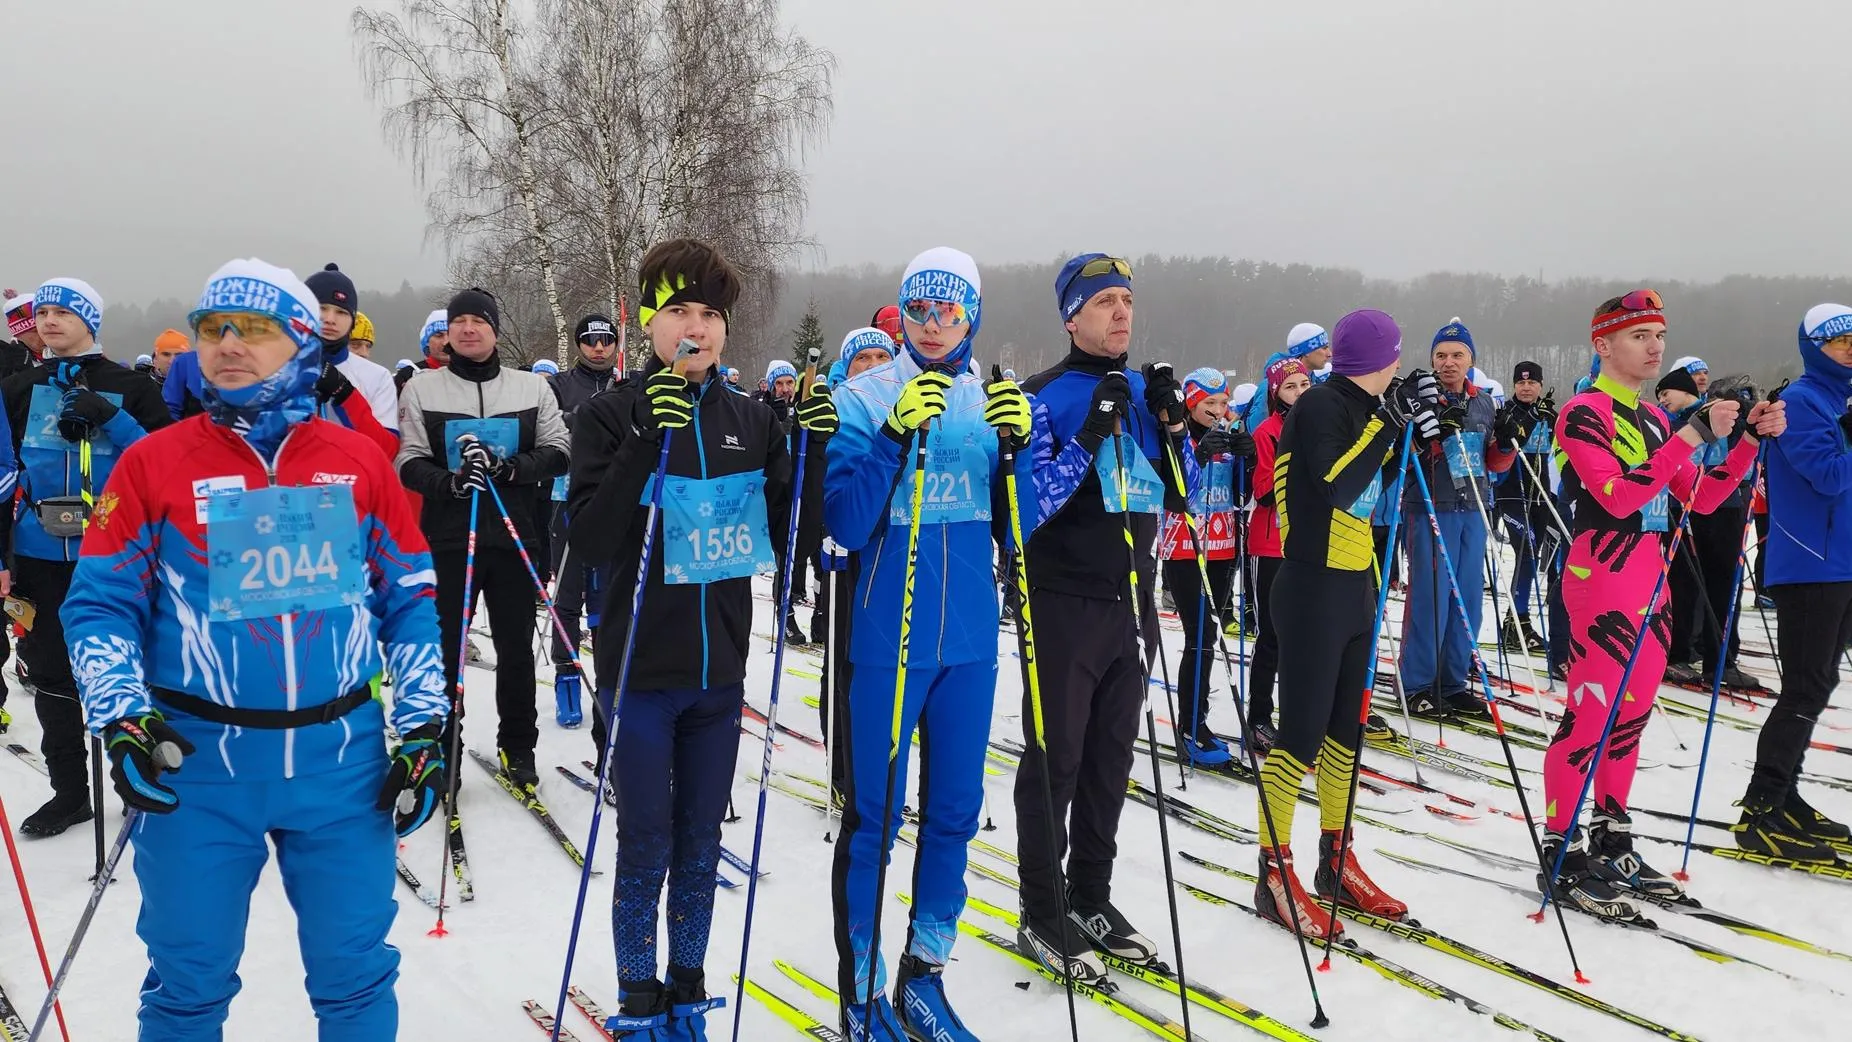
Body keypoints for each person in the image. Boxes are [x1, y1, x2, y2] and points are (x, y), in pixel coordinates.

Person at [62, 258, 450, 1039]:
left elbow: (409, 600)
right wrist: (123, 715)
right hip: (200, 767)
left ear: (303, 341)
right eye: (212, 329)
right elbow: (99, 606)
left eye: (255, 330)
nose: (228, 345)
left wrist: (425, 728)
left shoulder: (357, 460)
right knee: (186, 987)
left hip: (341, 767)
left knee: (356, 980)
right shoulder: (152, 463)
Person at [565, 238, 805, 1039]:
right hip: (639, 675)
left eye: (709, 314)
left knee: (701, 843)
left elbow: (795, 534)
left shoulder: (750, 418)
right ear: (647, 322)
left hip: (718, 675)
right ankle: (638, 998)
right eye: (678, 311)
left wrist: (814, 447)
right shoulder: (605, 414)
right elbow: (590, 540)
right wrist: (641, 444)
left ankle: (688, 988)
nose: (695, 327)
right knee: (646, 844)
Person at [823, 247, 1030, 1040]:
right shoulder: (864, 393)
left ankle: (925, 974)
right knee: (875, 818)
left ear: (972, 315)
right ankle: (863, 988)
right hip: (889, 636)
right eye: (920, 310)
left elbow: (1020, 532)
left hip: (971, 642)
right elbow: (842, 521)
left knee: (954, 814)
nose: (934, 326)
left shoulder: (994, 399)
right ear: (901, 311)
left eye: (950, 312)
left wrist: (1018, 459)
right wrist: (890, 439)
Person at [1542, 290, 1774, 915]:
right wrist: (1693, 432)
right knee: (1589, 720)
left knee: (1631, 718)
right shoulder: (1583, 414)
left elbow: (1699, 496)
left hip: (1650, 580)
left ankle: (1612, 838)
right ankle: (1558, 851)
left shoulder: (1650, 420)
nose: (1655, 347)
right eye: (1640, 335)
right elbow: (1617, 496)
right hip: (1602, 578)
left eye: (1659, 336)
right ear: (1604, 345)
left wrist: (1748, 442)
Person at [1015, 253, 1192, 981]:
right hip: (1062, 604)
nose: (1121, 312)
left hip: (1132, 604)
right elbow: (1027, 508)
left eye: (1127, 299)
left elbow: (1175, 497)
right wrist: (1091, 431)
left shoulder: (1141, 397)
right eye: (1104, 302)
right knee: (1056, 760)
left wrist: (1171, 426)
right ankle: (1041, 904)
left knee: (1111, 760)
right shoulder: (1043, 394)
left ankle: (1092, 892)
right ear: (1071, 316)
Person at [1258, 309, 1438, 939]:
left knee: (1344, 734)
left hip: (1353, 586)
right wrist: (1391, 423)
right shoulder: (1321, 405)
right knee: (1299, 736)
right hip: (1310, 587)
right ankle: (1274, 869)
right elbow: (1337, 485)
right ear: (1382, 356)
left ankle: (1336, 858)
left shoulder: (1364, 410)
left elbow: (1373, 486)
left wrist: (1416, 428)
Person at [3, 277, 168, 835]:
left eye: (64, 312)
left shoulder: (131, 384)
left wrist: (111, 416)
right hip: (39, 550)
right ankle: (70, 793)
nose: (50, 320)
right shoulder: (19, 385)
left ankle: (138, 782)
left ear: (91, 320)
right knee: (50, 674)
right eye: (42, 311)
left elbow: (168, 464)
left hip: (114, 552)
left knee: (125, 669)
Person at [396, 287, 568, 791]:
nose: (468, 329)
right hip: (449, 540)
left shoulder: (530, 388)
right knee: (446, 650)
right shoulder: (424, 388)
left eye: (479, 320)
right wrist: (448, 482)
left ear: (495, 328)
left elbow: (559, 451)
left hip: (515, 538)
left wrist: (510, 469)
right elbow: (407, 460)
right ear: (446, 333)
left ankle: (518, 748)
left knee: (516, 650)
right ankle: (443, 749)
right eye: (459, 322)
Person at [1734, 304, 1852, 863]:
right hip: (1810, 565)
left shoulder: (1837, 400)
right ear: (1814, 349)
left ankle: (1786, 795)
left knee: (1820, 680)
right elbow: (1827, 476)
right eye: (1838, 342)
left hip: (1842, 563)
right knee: (1804, 686)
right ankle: (1762, 806)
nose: (1849, 348)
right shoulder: (1803, 401)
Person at [1399, 319, 1515, 718]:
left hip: (1473, 507)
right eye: (1441, 356)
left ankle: (1452, 681)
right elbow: (1407, 455)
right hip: (1432, 506)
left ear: (1471, 360)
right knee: (1431, 598)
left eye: (1457, 356)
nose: (1449, 363)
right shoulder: (1419, 397)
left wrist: (1507, 440)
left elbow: (1493, 461)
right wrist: (1432, 435)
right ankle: (1417, 683)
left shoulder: (1484, 402)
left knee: (1467, 599)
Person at [1159, 367, 1251, 766]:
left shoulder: (1228, 437)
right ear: (1191, 404)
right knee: (1200, 633)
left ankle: (1199, 722)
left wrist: (1248, 455)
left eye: (1222, 403)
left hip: (1222, 544)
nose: (1217, 411)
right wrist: (1196, 452)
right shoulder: (1177, 437)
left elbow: (1244, 495)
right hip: (1185, 545)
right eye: (1208, 404)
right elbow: (1173, 489)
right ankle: (1190, 726)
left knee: (1211, 633)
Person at [1658, 359, 1761, 692]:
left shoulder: (1715, 412)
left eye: (1667, 392)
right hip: (1683, 508)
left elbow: (1743, 434)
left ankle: (1720, 658)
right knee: (1685, 585)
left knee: (1721, 585)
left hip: (1724, 506)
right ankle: (1680, 652)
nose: (1662, 399)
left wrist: (1745, 412)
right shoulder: (1672, 423)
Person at [545, 313, 623, 710]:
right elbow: (548, 426)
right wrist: (586, 420)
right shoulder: (561, 383)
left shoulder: (624, 382)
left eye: (606, 340)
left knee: (610, 591)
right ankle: (566, 673)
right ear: (579, 344)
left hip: (614, 498)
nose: (599, 347)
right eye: (590, 340)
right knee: (569, 588)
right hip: (567, 496)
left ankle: (609, 677)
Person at [1245, 356, 1313, 751]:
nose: (1300, 393)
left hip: (1305, 544)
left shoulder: (1317, 428)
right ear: (1276, 393)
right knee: (1271, 635)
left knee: (1301, 636)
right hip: (1269, 544)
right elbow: (1264, 490)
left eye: (1305, 385)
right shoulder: (1267, 432)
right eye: (1291, 387)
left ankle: (1297, 714)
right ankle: (1258, 716)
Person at [1493, 361, 1559, 654]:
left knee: (1531, 558)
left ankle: (1518, 619)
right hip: (1511, 493)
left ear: (1541, 385)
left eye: (1532, 383)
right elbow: (1509, 441)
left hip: (1540, 494)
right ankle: (1515, 622)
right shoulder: (1507, 412)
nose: (1526, 387)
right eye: (1521, 383)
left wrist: (1552, 420)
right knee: (1527, 550)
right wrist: (1532, 418)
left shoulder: (1547, 413)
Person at [305, 264, 399, 460]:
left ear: (352, 322)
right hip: (291, 486)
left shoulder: (377, 376)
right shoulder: (274, 367)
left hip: (351, 486)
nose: (330, 319)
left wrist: (345, 393)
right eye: (321, 308)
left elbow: (387, 450)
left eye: (341, 312)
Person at [1241, 322, 1328, 431]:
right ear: (1307, 351)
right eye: (1324, 348)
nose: (1329, 354)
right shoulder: (1270, 386)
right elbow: (1257, 433)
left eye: (1304, 384)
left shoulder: (1316, 382)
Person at [3, 292, 43, 377]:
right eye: (35, 331)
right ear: (18, 335)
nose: (45, 334)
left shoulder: (73, 349)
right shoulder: (10, 363)